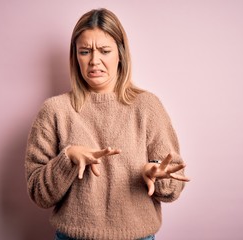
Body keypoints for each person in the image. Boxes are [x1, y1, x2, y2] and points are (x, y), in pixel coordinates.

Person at [25, 8, 190, 240]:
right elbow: (38, 194)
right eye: (84, 51)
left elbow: (172, 189)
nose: (94, 61)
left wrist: (156, 172)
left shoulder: (147, 106)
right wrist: (68, 158)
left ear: (120, 54)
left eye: (104, 51)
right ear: (75, 57)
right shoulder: (55, 111)